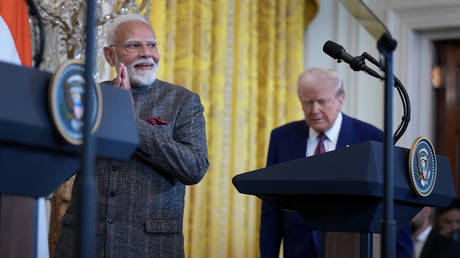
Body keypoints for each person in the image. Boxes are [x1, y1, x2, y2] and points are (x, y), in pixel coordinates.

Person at [54, 14, 209, 258]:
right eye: (133, 45)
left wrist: (132, 124)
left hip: (150, 247)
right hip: (82, 243)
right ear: (109, 55)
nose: (146, 53)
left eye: (152, 44)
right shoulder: (89, 97)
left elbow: (194, 167)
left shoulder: (183, 102)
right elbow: (58, 166)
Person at [259, 68, 412, 258]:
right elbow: (271, 210)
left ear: (340, 100)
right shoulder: (282, 138)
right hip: (299, 250)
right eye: (308, 102)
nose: (314, 110)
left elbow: (395, 208)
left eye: (322, 101)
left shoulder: (372, 139)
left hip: (350, 248)